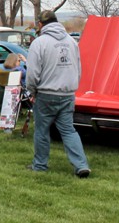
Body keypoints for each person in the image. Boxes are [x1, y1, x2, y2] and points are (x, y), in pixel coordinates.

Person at [25, 10, 90, 177]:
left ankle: (40, 165)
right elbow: (78, 68)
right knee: (68, 130)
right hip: (68, 93)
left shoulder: (39, 43)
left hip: (46, 93)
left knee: (42, 130)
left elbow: (32, 73)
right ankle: (81, 165)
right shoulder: (71, 41)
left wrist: (31, 91)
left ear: (40, 24)